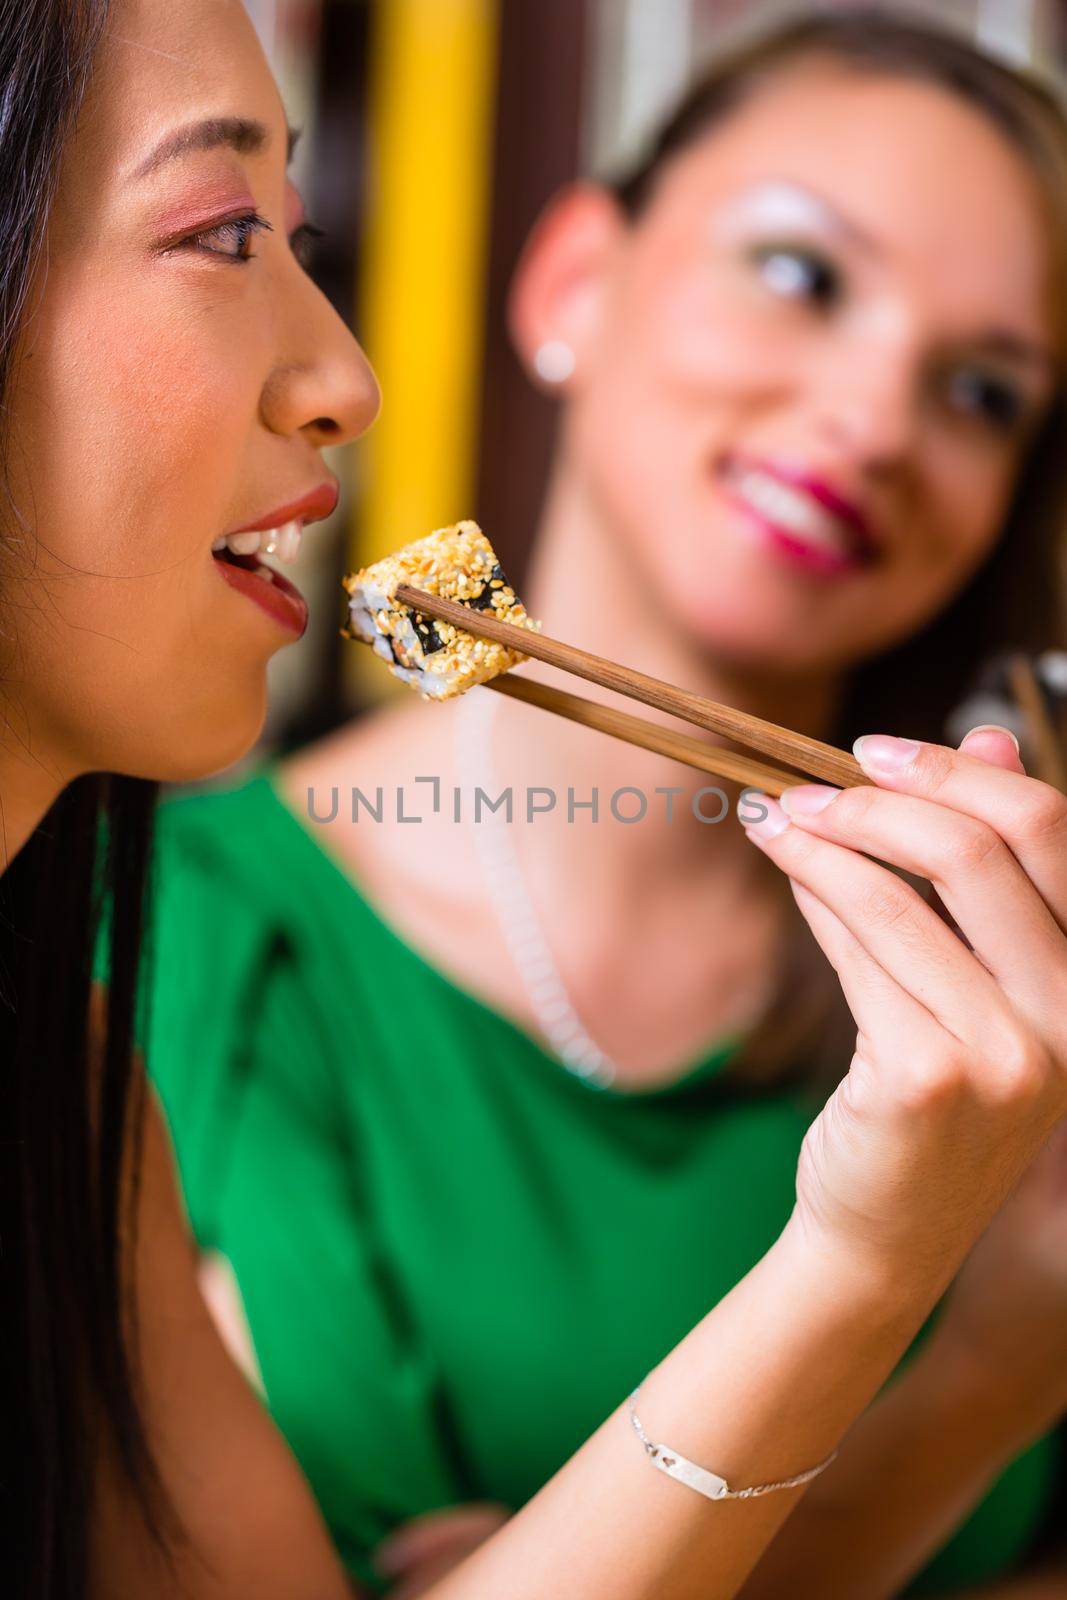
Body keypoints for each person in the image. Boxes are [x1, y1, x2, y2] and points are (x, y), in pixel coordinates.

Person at [6, 2, 1067, 1597]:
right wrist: (938, 1331)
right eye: (800, 275)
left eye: (984, 390)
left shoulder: (58, 1077)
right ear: (573, 279)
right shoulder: (183, 959)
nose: (871, 422)